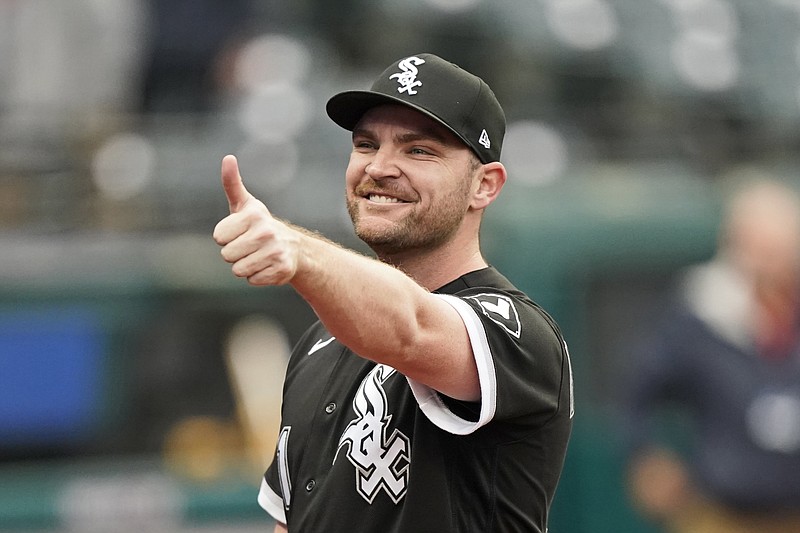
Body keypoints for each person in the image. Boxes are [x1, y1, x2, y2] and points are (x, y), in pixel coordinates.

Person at [213, 53, 574, 533]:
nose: (379, 167)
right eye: (365, 145)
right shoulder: (318, 346)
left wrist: (297, 248)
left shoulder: (516, 332)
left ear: (484, 185)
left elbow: (410, 329)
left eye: (418, 150)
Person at [622, 179, 800, 533]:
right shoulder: (702, 314)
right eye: (756, 247)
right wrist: (646, 457)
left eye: (777, 249)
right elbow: (636, 390)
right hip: (722, 513)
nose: (767, 264)